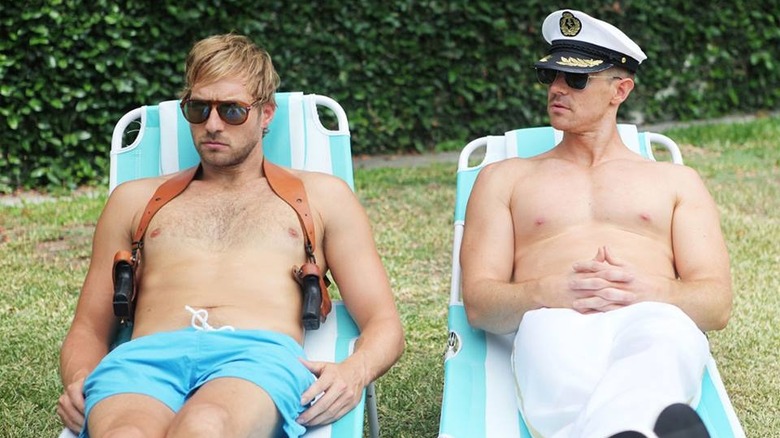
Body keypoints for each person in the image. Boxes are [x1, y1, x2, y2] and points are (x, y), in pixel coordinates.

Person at [57, 33, 404, 438]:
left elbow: (384, 322)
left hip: (255, 361)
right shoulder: (134, 200)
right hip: (145, 360)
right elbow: (88, 327)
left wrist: (354, 372)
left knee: (205, 428)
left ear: (266, 113)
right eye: (199, 109)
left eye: (233, 111)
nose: (213, 125)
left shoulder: (322, 198)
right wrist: (80, 379)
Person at [460, 9, 731, 438]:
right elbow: (478, 303)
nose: (556, 89)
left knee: (663, 345)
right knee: (575, 376)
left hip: (654, 315)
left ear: (620, 90)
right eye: (549, 76)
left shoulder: (675, 182)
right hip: (551, 318)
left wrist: (650, 290)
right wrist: (548, 291)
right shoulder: (505, 178)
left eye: (577, 80)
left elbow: (716, 304)